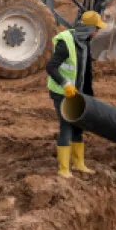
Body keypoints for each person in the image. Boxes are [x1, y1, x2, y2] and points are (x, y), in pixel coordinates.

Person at [47, 11, 107, 178]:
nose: (98, 32)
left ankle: (79, 164)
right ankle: (64, 169)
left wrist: (88, 96)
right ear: (89, 28)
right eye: (97, 29)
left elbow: (85, 71)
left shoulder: (85, 43)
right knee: (67, 125)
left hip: (77, 92)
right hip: (61, 92)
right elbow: (51, 67)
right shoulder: (65, 42)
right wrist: (65, 84)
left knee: (79, 125)